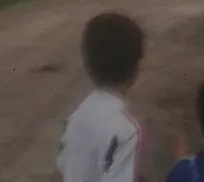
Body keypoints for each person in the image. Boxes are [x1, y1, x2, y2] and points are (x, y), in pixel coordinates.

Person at [57, 12, 147, 182]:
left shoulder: (75, 118)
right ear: (137, 68)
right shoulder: (126, 131)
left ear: (88, 66)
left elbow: (60, 174)